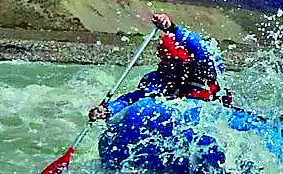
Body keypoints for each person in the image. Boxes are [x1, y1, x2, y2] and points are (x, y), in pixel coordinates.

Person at [88, 13, 227, 121]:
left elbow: (199, 46)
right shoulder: (158, 79)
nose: (170, 67)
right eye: (167, 62)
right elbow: (132, 98)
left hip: (209, 111)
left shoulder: (206, 67)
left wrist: (171, 28)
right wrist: (108, 109)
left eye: (174, 62)